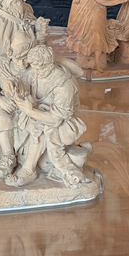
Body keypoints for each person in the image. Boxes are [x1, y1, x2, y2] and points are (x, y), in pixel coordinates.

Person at [10, 45, 89, 187]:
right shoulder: (36, 72)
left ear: (50, 64)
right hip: (38, 112)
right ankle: (12, 158)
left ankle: (28, 169)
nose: (36, 72)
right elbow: (23, 81)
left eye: (39, 68)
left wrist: (30, 111)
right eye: (34, 68)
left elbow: (56, 119)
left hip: (62, 122)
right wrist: (12, 85)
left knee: (41, 128)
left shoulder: (64, 85)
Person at [0, 31, 36, 178]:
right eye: (17, 57)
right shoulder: (1, 64)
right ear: (10, 52)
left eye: (25, 57)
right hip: (6, 106)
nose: (22, 63)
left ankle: (29, 162)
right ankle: (8, 156)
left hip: (30, 106)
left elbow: (44, 93)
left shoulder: (36, 66)